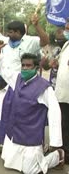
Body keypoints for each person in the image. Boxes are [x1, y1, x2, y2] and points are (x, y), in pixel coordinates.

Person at [0, 40, 64, 174]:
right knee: (8, 162)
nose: (25, 68)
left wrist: (55, 141)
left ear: (36, 68)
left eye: (29, 66)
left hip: (31, 136)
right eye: (23, 65)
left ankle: (56, 156)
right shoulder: (17, 78)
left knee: (31, 171)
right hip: (14, 132)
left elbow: (55, 113)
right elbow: (3, 69)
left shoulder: (44, 88)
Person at [54, 21, 69, 164]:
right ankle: (65, 155)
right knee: (63, 125)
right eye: (66, 28)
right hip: (63, 94)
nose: (66, 31)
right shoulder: (66, 45)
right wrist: (55, 64)